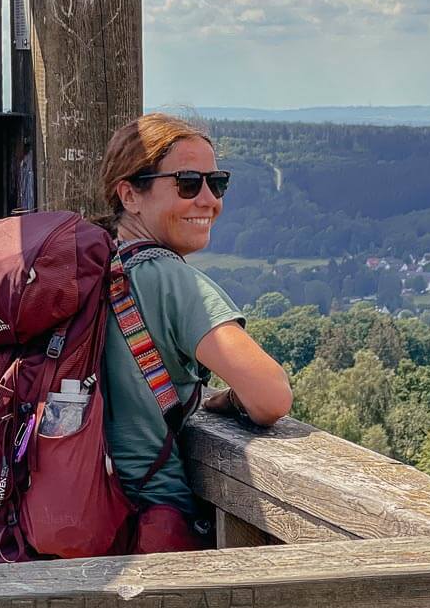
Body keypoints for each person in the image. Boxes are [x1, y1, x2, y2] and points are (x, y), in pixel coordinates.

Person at [97, 112, 292, 553]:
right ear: (129, 194)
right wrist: (233, 398)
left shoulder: (87, 266)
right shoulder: (168, 279)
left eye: (216, 183)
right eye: (187, 183)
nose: (209, 200)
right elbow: (271, 396)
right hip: (144, 526)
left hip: (61, 521)